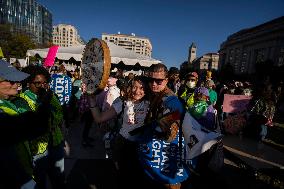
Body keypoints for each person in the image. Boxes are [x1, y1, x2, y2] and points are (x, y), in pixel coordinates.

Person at [89, 76, 150, 187]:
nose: (137, 91)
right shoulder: (122, 102)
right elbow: (99, 118)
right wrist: (92, 101)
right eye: (134, 87)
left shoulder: (151, 103)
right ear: (130, 87)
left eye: (142, 88)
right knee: (123, 176)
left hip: (142, 146)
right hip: (123, 144)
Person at [0, 59, 51, 189]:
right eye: (11, 80)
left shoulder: (9, 103)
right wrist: (45, 103)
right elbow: (36, 126)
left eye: (17, 80)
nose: (17, 84)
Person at [137, 63, 190, 189]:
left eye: (158, 81)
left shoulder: (171, 101)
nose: (154, 84)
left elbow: (175, 121)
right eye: (151, 80)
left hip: (167, 154)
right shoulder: (155, 94)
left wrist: (167, 124)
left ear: (166, 81)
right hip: (157, 152)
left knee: (171, 184)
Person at [13, 65, 65, 189]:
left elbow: (59, 116)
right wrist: (46, 106)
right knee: (40, 183)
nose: (42, 86)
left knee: (59, 180)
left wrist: (50, 101)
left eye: (45, 83)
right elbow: (37, 125)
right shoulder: (21, 101)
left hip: (56, 144)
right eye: (37, 83)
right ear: (28, 83)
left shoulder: (51, 96)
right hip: (38, 151)